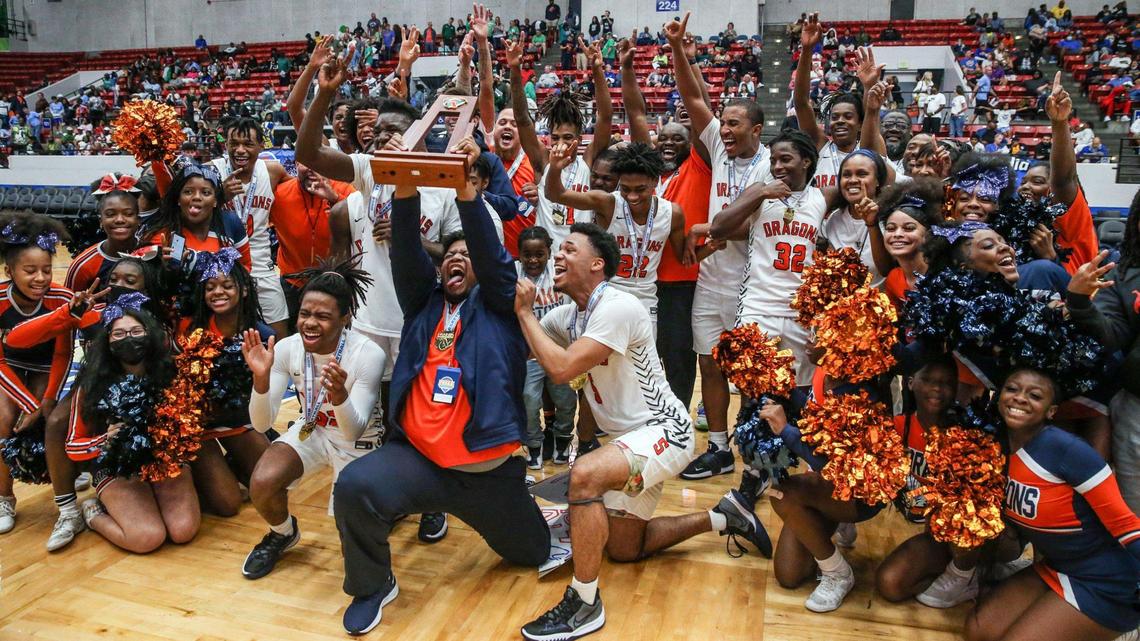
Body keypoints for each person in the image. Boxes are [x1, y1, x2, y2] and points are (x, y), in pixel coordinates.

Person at [332, 138, 550, 635]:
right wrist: (404, 186)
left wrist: (469, 196)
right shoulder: (422, 303)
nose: (458, 259)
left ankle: (525, 505)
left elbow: (496, 265)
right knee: (355, 486)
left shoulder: (500, 307)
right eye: (450, 254)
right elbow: (406, 251)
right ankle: (372, 585)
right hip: (421, 462)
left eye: (467, 254)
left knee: (531, 554)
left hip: (487, 471)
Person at [514, 221, 768, 641]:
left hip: (664, 429)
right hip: (628, 441)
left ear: (597, 264)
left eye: (569, 250)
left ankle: (584, 602)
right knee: (624, 550)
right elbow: (529, 345)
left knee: (585, 474)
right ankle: (724, 516)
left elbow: (560, 368)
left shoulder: (617, 305)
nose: (558, 256)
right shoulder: (569, 314)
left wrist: (524, 313)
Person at [665, 12, 770, 480]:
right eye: (722, 122)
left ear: (756, 129)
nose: (724, 130)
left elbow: (757, 230)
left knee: (749, 372)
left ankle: (752, 444)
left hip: (752, 282)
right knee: (710, 365)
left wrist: (704, 229)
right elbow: (691, 98)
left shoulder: (773, 166)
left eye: (734, 124)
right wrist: (675, 49)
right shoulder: (719, 150)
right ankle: (720, 446)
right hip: (711, 279)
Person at [964, 368, 1140, 641]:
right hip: (1058, 566)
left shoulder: (1067, 449)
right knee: (978, 631)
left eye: (1034, 395)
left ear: (1051, 410)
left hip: (1106, 582)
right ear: (999, 396)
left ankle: (1121, 631)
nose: (1020, 398)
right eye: (1012, 389)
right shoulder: (992, 446)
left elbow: (1126, 525)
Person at [239, 258, 385, 581]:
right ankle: (283, 533)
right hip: (313, 429)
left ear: (345, 318)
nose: (309, 323)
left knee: (354, 545)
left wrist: (339, 398)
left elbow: (355, 427)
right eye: (305, 313)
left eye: (323, 316)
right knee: (262, 482)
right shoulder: (287, 348)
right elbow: (262, 424)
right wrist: (260, 381)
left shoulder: (368, 353)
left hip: (358, 440)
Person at [68, 307, 201, 553]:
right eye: (118, 334)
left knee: (183, 531)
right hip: (117, 468)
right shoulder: (91, 384)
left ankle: (155, 502)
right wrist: (104, 441)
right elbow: (72, 446)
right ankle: (93, 513)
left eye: (136, 331)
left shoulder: (172, 372)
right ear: (106, 342)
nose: (128, 338)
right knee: (146, 538)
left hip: (165, 462)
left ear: (149, 335)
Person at [542, 141, 687, 330]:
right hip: (605, 294)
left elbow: (684, 256)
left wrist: (704, 233)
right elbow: (555, 194)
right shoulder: (608, 203)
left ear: (654, 181)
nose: (632, 196)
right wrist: (555, 167)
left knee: (641, 359)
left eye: (640, 189)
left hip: (646, 299)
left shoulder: (672, 213)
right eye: (626, 189)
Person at [181, 250, 273, 516]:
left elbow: (264, 394)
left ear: (243, 290)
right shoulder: (191, 330)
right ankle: (200, 471)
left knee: (276, 483)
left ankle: (232, 463)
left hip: (238, 422)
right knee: (229, 505)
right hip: (199, 428)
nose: (217, 292)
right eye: (210, 287)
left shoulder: (261, 335)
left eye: (227, 285)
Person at [0, 212, 74, 535]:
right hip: (8, 367)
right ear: (9, 271)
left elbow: (64, 353)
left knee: (52, 416)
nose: (41, 278)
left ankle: (66, 484)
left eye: (46, 270)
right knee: (3, 417)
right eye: (30, 271)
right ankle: (4, 497)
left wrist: (45, 400)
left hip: (47, 367)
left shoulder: (63, 299)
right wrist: (26, 403)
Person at [1067, 191, 1140, 512]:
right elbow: (1112, 335)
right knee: (1135, 512)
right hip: (1137, 409)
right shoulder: (1123, 273)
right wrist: (1080, 301)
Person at [506, 35, 612, 250]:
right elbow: (522, 118)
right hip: (546, 256)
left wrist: (597, 70)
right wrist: (515, 70)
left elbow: (605, 118)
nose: (561, 144)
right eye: (555, 138)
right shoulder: (543, 159)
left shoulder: (588, 161)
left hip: (580, 254)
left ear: (579, 140)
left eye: (567, 138)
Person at [210, 117, 290, 334]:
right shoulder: (211, 172)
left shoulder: (273, 171)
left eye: (247, 144)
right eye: (233, 144)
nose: (240, 150)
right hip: (221, 268)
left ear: (261, 146)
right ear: (224, 144)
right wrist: (219, 196)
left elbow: (297, 196)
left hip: (261, 267)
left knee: (279, 337)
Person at [796, 17, 879, 189]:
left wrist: (869, 85)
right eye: (835, 117)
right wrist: (806, 50)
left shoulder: (868, 148)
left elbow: (871, 112)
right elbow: (801, 103)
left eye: (848, 116)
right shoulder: (820, 146)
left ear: (860, 124)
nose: (840, 120)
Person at [516, 226, 575, 465]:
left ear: (549, 253)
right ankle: (534, 444)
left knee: (566, 400)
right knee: (529, 400)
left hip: (559, 350)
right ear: (519, 254)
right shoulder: (513, 275)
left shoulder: (560, 273)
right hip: (529, 353)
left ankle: (562, 438)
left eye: (539, 254)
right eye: (527, 254)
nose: (533, 259)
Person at [268, 163, 353, 329]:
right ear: (295, 164)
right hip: (292, 282)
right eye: (304, 161)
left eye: (317, 160)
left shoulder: (345, 189)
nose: (311, 168)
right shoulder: (279, 193)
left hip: (335, 282)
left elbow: (363, 223)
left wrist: (336, 200)